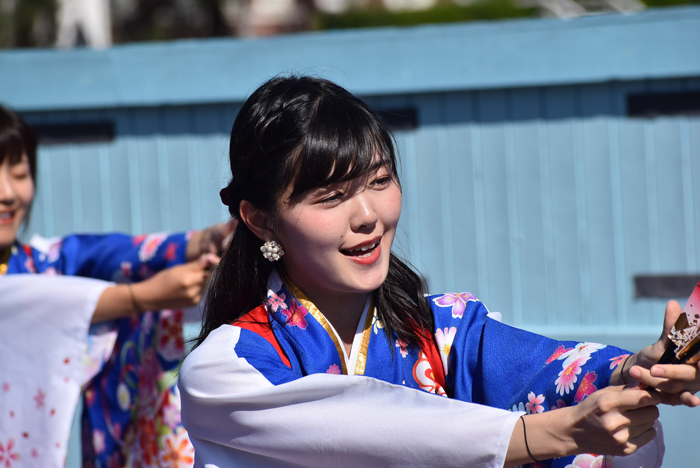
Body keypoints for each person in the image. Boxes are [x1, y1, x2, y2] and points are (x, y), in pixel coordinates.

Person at [178, 76, 698, 468]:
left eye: (380, 181)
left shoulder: (444, 333)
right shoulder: (226, 371)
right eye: (331, 196)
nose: (367, 216)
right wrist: (552, 435)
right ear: (260, 218)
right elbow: (369, 429)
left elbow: (542, 367)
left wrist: (637, 368)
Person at [0, 103, 231, 467]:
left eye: (19, 173)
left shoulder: (37, 262)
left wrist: (205, 241)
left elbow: (106, 253)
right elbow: (18, 303)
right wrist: (141, 298)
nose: (8, 193)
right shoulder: (28, 277)